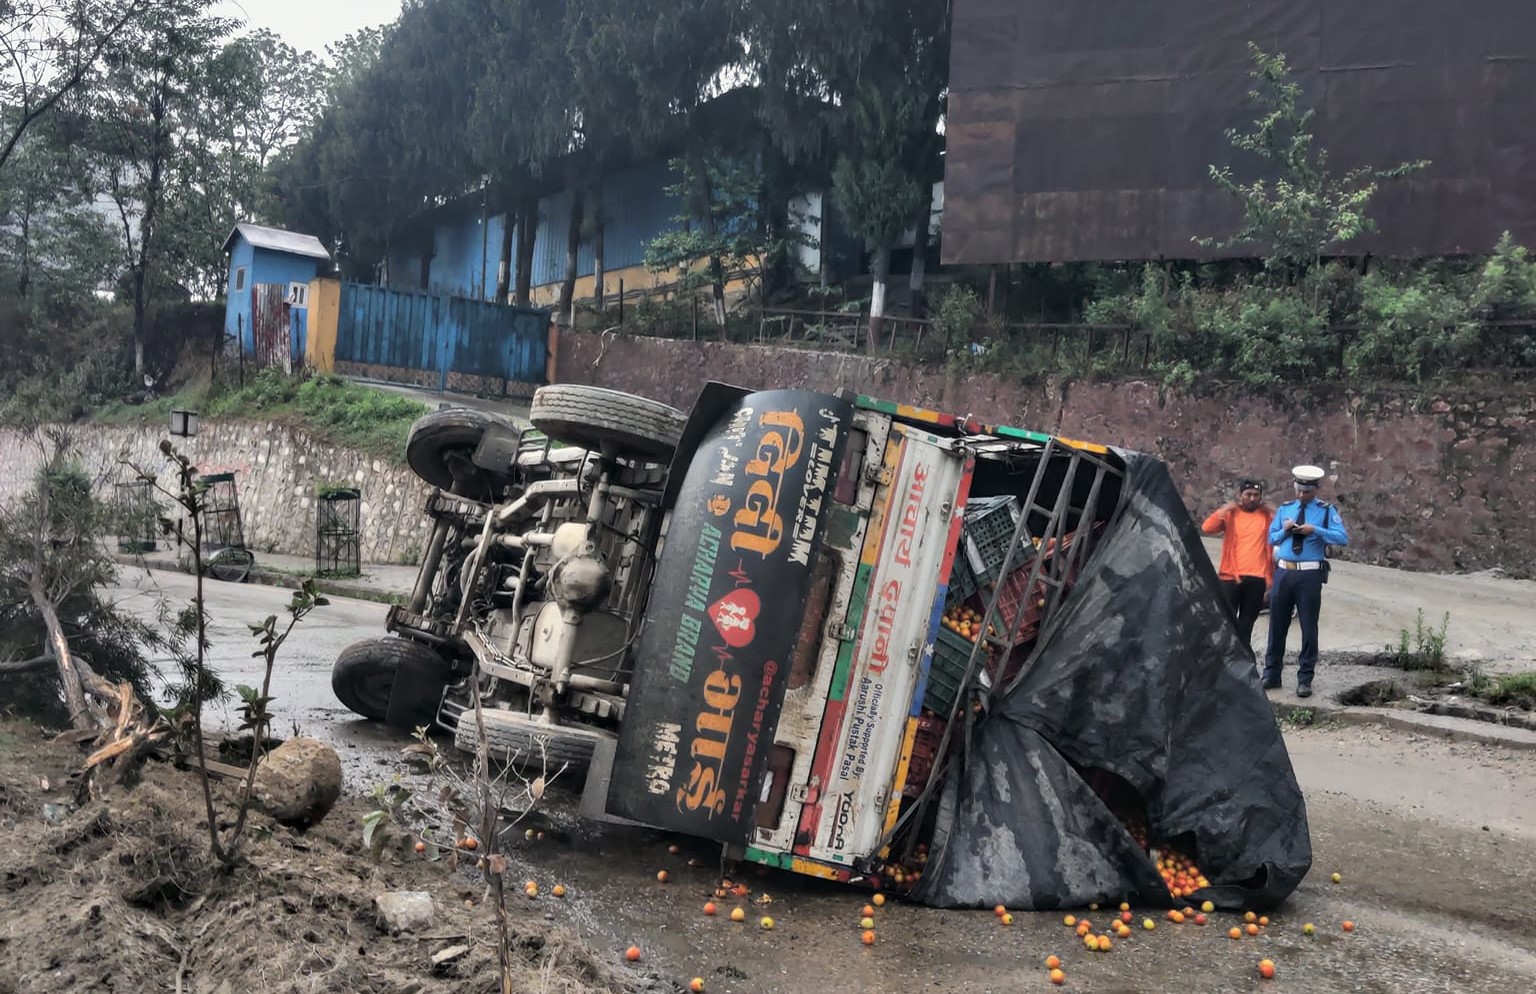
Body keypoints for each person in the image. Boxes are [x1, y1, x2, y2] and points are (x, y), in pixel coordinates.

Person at [1262, 465, 1349, 698]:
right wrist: (1285, 531)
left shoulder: (1326, 511)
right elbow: (1271, 538)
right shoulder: (1285, 509)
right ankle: (1272, 674)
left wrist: (1316, 530)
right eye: (1299, 490)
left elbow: (1342, 538)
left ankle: (1305, 678)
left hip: (1309, 575)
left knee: (1309, 627)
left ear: (1315, 490)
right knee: (1277, 625)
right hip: (1284, 572)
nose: (1302, 495)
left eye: (1307, 492)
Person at [1201, 479, 1275, 645]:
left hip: (1258, 578)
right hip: (1230, 577)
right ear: (1240, 495)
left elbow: (1281, 531)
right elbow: (1207, 528)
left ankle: (1243, 657)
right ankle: (1225, 656)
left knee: (1247, 625)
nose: (1252, 498)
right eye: (1248, 494)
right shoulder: (1230, 514)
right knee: (1226, 623)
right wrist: (1224, 509)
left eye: (1256, 495)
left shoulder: (1267, 516)